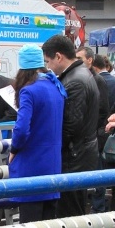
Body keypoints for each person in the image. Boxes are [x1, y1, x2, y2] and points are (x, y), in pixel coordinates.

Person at [42, 35, 99, 217]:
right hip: (80, 153)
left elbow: (70, 126)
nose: (48, 67)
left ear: (59, 57)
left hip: (74, 157)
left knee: (70, 213)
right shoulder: (81, 74)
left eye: (48, 61)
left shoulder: (75, 81)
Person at [8, 44, 66, 223]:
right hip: (53, 165)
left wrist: (14, 149)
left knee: (30, 221)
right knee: (48, 221)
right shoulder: (56, 87)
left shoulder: (28, 90)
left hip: (31, 165)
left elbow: (21, 129)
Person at [75, 46, 110, 213]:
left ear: (90, 60)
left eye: (80, 59)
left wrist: (93, 131)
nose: (77, 62)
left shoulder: (97, 80)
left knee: (97, 173)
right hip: (86, 137)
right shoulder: (81, 78)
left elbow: (103, 109)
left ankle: (98, 208)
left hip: (94, 136)